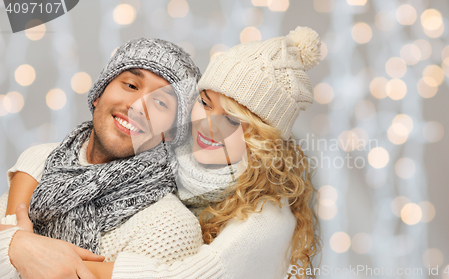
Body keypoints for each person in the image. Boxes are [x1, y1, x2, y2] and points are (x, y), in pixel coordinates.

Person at [0, 26, 322, 279]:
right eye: (205, 103)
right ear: (97, 93)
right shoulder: (52, 163)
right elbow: (45, 158)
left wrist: (43, 255)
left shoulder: (263, 221)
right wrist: (19, 239)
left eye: (161, 102)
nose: (207, 126)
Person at [0, 37, 204, 278]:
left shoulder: (171, 227)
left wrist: (16, 244)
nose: (138, 106)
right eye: (130, 85)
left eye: (160, 102)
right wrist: (16, 245)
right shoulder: (40, 161)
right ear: (98, 94)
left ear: (171, 133)